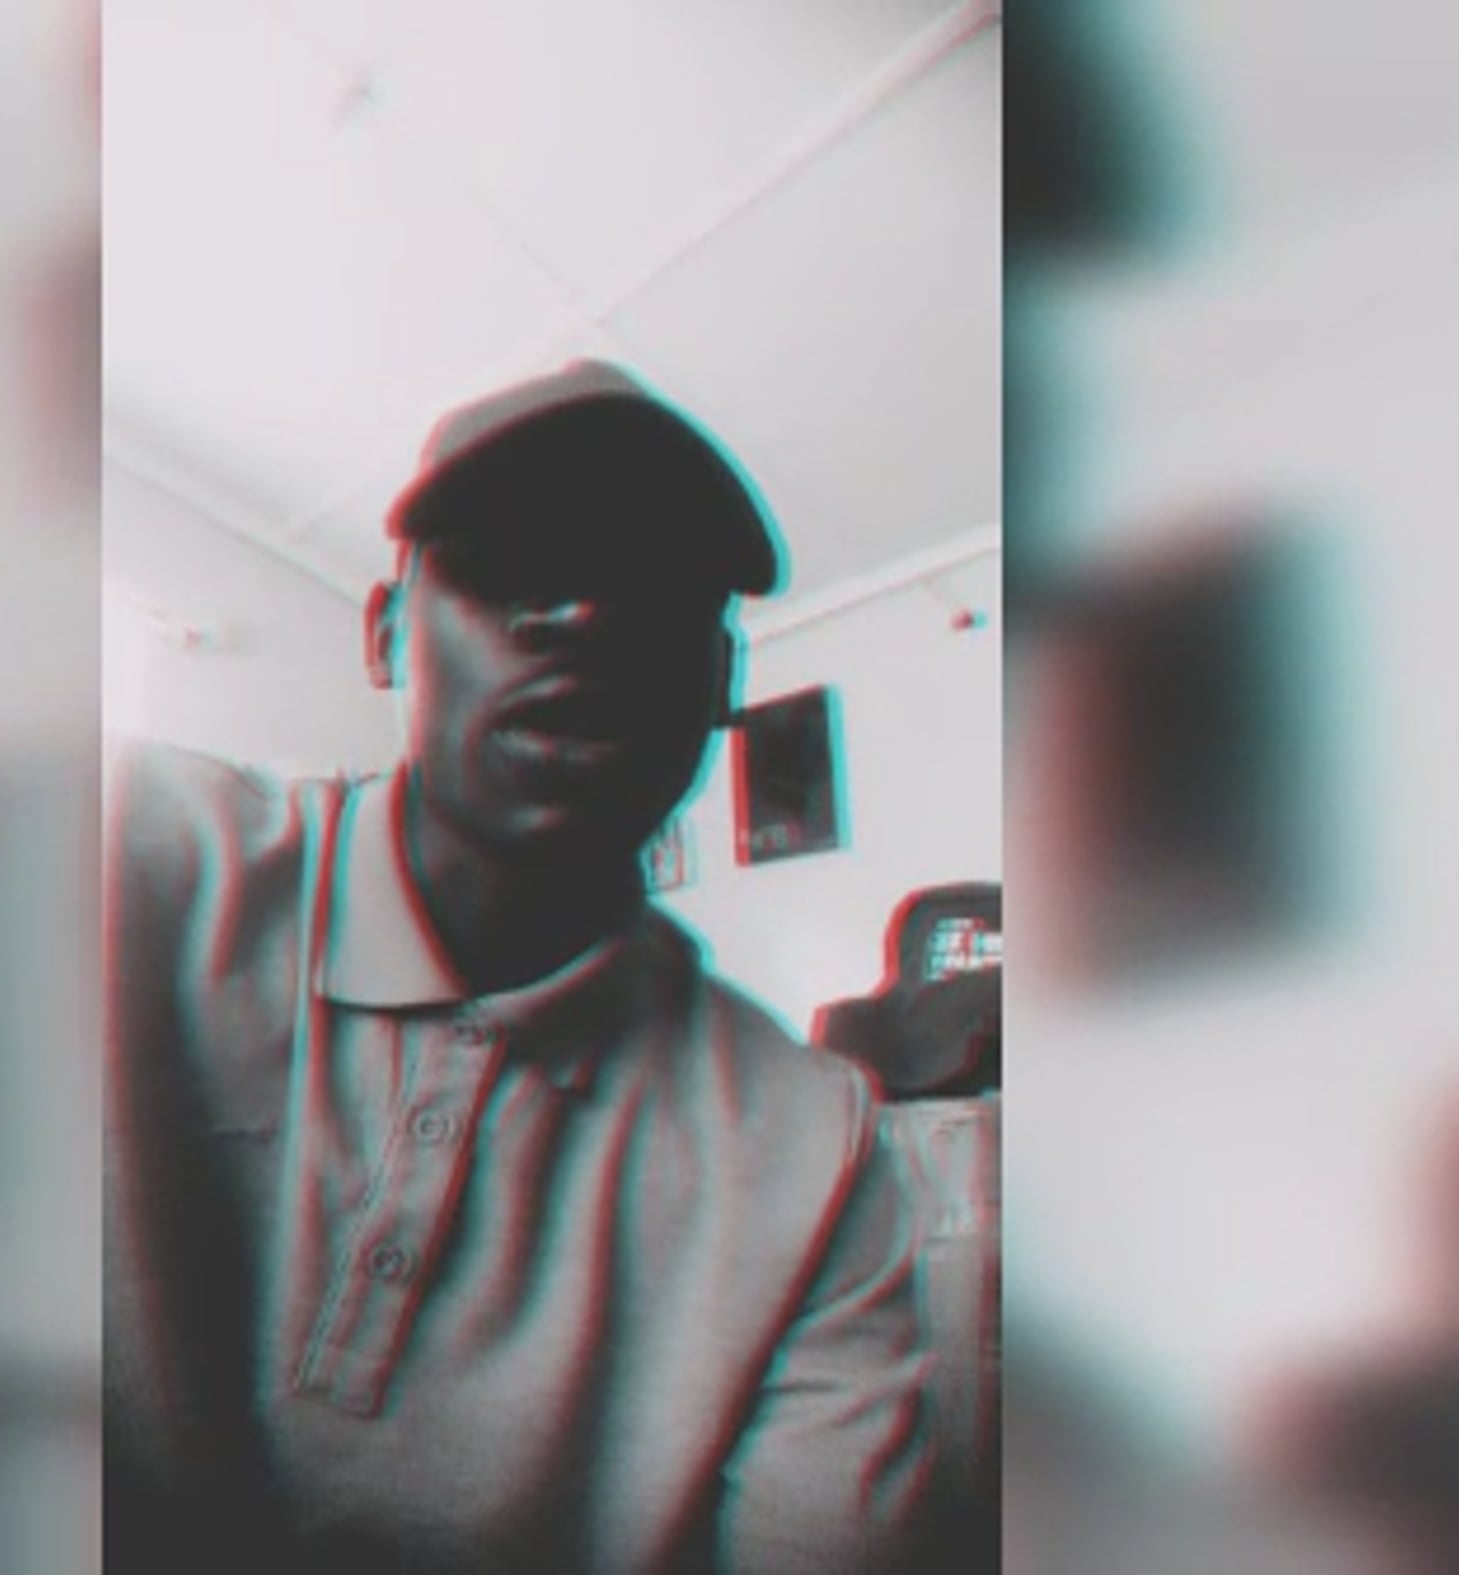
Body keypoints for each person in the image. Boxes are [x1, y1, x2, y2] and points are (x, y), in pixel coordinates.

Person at [105, 361, 943, 1571]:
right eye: (507, 555)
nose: (586, 614)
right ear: (387, 634)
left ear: (722, 685)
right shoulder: (117, 858)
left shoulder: (820, 1153)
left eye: (657, 581)